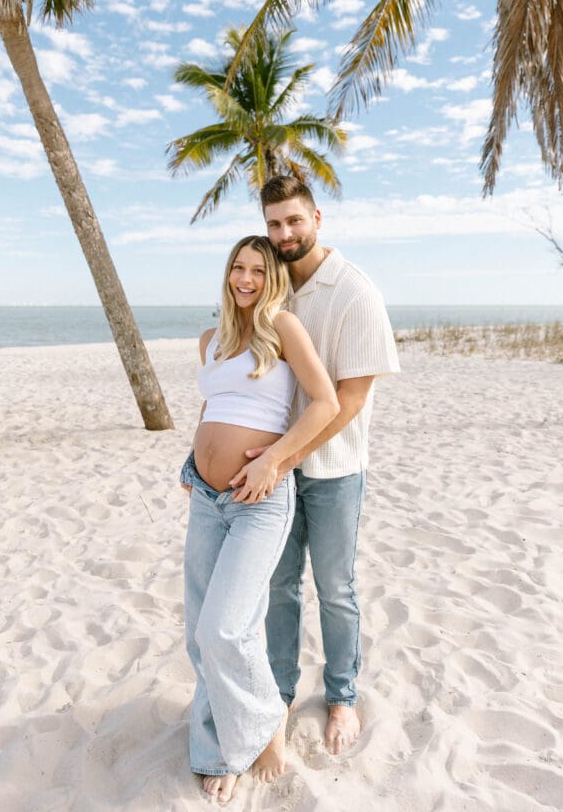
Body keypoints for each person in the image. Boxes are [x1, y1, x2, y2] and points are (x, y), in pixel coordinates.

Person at [229, 177, 400, 756]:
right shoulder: (272, 288)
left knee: (336, 589)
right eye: (274, 224)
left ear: (317, 218)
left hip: (332, 470)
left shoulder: (355, 292)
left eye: (293, 222)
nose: (283, 234)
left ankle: (342, 696)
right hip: (274, 470)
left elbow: (349, 400)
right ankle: (279, 695)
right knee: (278, 587)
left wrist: (283, 456)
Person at [180, 234, 339, 804]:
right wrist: (192, 459)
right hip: (205, 497)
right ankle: (217, 750)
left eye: (256, 269)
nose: (245, 279)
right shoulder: (212, 340)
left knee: (226, 627)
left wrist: (273, 460)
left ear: (271, 277)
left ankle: (266, 723)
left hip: (260, 500)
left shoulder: (283, 327)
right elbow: (214, 407)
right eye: (237, 268)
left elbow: (326, 403)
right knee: (200, 633)